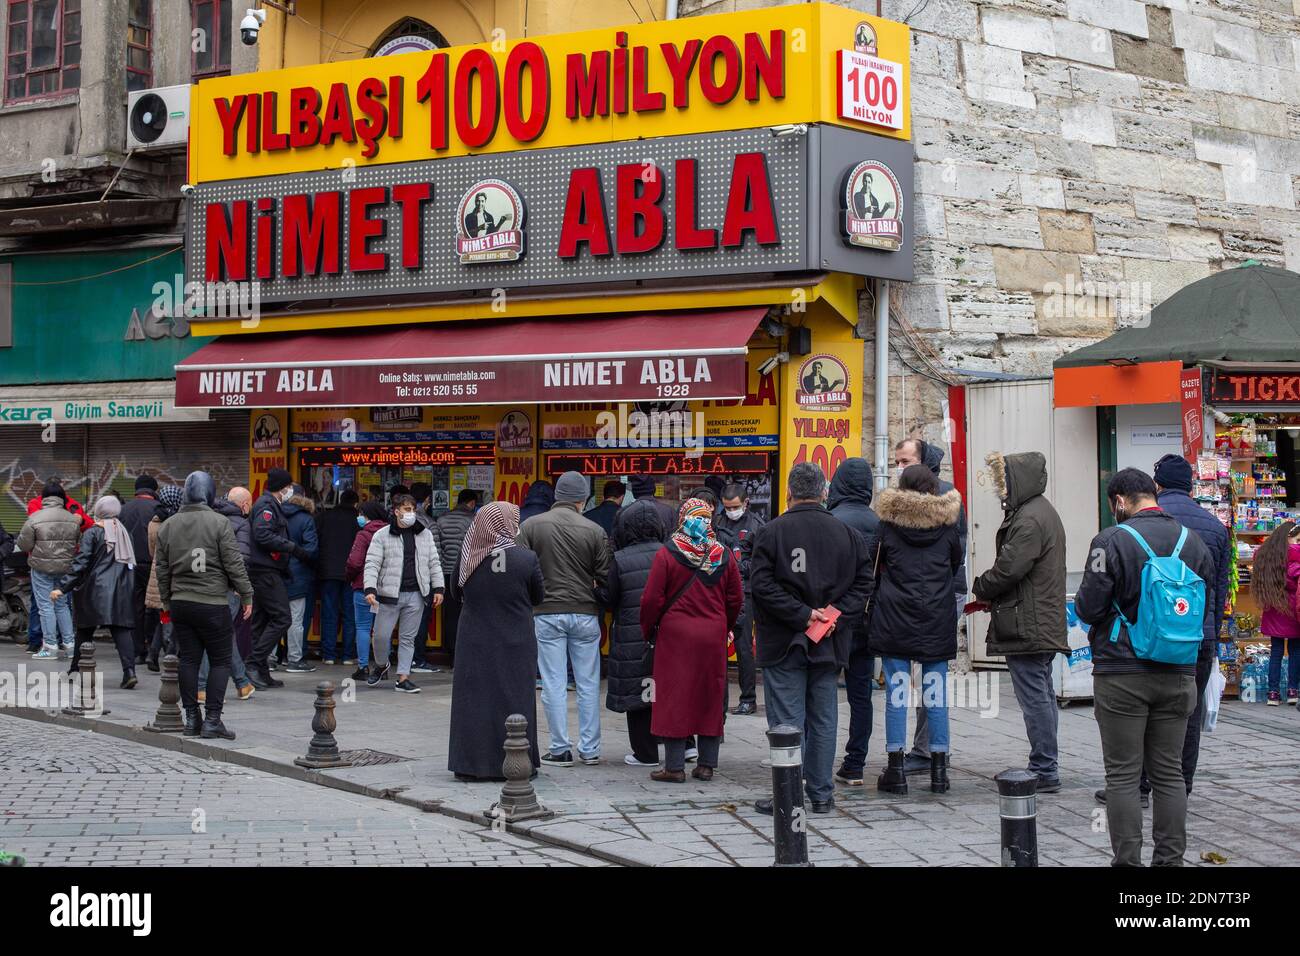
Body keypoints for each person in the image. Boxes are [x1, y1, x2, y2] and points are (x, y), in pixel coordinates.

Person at [1074, 467, 1215, 867]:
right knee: (1169, 772)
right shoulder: (1195, 542)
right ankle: (1170, 861)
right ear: (1153, 492)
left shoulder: (1110, 540)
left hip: (1122, 673)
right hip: (1179, 671)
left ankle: (1128, 862)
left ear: (1118, 502)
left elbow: (1088, 607)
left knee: (1122, 775)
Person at [749, 462, 873, 814]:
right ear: (823, 493)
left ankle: (789, 795)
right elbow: (865, 582)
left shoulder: (770, 533)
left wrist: (803, 615)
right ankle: (821, 794)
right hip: (829, 641)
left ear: (789, 492)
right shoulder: (847, 534)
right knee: (823, 719)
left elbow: (761, 586)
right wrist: (833, 614)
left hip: (783, 642)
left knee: (787, 721)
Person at [970, 452, 1069, 794]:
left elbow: (1010, 568)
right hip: (1036, 619)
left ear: (1018, 482)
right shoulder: (1039, 512)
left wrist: (982, 586)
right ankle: (1045, 763)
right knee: (1040, 693)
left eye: (1004, 484)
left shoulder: (1029, 519)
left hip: (1029, 622)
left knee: (1035, 697)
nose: (1001, 492)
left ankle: (1044, 767)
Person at [870, 465, 964, 795]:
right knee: (935, 696)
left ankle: (896, 771)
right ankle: (939, 771)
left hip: (895, 618)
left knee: (897, 696)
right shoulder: (949, 527)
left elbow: (875, 567)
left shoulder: (888, 527)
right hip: (936, 618)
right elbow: (955, 565)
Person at [1142, 453, 1231, 793]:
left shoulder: (1147, 522)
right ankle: (1183, 783)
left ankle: (1142, 783)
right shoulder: (1215, 527)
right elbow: (1219, 588)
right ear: (1191, 486)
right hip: (1199, 635)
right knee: (1188, 711)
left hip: (1155, 633)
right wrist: (1210, 626)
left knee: (1148, 707)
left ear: (1157, 485)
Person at [640, 499, 743, 782]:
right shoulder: (722, 554)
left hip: (675, 637)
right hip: (712, 636)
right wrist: (724, 625)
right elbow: (736, 598)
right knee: (710, 695)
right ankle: (706, 765)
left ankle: (674, 767)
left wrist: (649, 628)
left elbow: (651, 599)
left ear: (682, 519)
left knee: (675, 695)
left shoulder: (668, 553)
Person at [517, 470, 610, 768]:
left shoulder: (530, 526)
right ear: (583, 499)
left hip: (546, 612)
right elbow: (605, 576)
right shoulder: (594, 530)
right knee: (587, 683)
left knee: (553, 682)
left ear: (557, 496)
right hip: (584, 612)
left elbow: (522, 570)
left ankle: (559, 748)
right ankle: (590, 749)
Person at [447, 502, 546, 780]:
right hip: (515, 641)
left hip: (473, 640)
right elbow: (539, 596)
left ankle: (471, 764)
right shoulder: (525, 559)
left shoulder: (468, 557)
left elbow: (456, 591)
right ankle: (518, 761)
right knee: (515, 698)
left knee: (474, 700)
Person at [155, 471, 255, 740]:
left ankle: (191, 719)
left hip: (181, 603)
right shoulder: (220, 522)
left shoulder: (169, 525)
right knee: (221, 659)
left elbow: (162, 570)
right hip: (213, 601)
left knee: (188, 659)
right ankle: (212, 720)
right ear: (210, 494)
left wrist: (166, 602)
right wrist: (246, 595)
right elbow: (234, 564)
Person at [894, 437, 969, 774]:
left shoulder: (947, 499)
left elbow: (956, 553)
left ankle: (927, 750)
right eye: (897, 461)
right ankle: (932, 752)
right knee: (924, 675)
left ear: (924, 464)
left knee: (928, 673)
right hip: (923, 593)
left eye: (906, 461)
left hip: (940, 593)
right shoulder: (899, 501)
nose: (900, 468)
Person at [597, 499, 666, 767]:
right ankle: (681, 748)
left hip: (631, 635)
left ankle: (645, 753)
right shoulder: (669, 553)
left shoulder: (620, 559)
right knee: (666, 691)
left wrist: (596, 588)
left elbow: (609, 597)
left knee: (638, 695)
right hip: (665, 635)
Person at [825, 458, 880, 786]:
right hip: (868, 618)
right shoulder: (879, 522)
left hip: (833, 619)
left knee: (823, 690)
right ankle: (855, 763)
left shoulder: (831, 520)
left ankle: (817, 759)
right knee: (861, 694)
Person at [53, 496, 138, 689]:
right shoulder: (125, 533)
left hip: (95, 589)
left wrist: (62, 586)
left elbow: (81, 563)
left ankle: (75, 671)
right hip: (121, 590)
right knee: (121, 631)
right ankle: (129, 672)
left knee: (84, 631)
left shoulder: (93, 533)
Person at [362, 494, 444, 693]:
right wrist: (370, 588)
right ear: (396, 511)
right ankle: (382, 666)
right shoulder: (382, 534)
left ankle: (403, 678)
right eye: (407, 509)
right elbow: (372, 563)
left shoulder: (424, 534)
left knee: (408, 638)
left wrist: (439, 587)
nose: (411, 514)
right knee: (380, 636)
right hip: (389, 594)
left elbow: (434, 561)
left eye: (413, 510)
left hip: (416, 594)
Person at [245, 468, 307, 689]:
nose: (290, 490)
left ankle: (260, 670)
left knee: (261, 622)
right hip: (264, 572)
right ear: (283, 488)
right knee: (283, 618)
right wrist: (292, 548)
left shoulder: (271, 505)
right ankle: (253, 664)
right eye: (289, 487)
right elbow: (262, 534)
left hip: (265, 571)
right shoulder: (266, 506)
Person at [715, 482, 765, 717]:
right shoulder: (717, 522)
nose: (730, 511)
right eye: (726, 507)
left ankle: (748, 699)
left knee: (744, 648)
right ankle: (717, 698)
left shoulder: (757, 526)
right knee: (717, 647)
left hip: (746, 592)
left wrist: (737, 566)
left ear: (745, 503)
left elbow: (762, 562)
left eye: (734, 506)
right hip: (719, 590)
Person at [15, 481, 81, 660]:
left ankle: (50, 647)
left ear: (44, 498)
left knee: (45, 607)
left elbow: (24, 544)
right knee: (62, 606)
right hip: (66, 568)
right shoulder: (72, 519)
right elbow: (76, 543)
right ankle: (70, 646)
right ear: (62, 498)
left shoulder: (35, 518)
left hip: (41, 568)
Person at [203, 487, 257, 702]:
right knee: (219, 636)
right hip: (227, 586)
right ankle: (204, 687)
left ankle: (242, 682)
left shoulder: (211, 517)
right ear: (244, 505)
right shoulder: (241, 523)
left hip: (205, 583)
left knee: (221, 635)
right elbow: (241, 558)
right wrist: (242, 590)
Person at [1247, 521, 1300, 705]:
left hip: (1273, 608)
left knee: (1276, 651)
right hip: (1292, 609)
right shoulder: (1296, 554)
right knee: (1295, 651)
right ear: (1289, 537)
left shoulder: (1265, 555)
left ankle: (1272, 693)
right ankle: (1293, 690)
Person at [435, 488, 479, 669]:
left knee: (450, 615)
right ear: (472, 503)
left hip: (446, 573)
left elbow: (437, 549)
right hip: (467, 574)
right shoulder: (473, 521)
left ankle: (451, 654)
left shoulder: (441, 520)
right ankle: (464, 655)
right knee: (469, 614)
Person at [119, 475, 160, 666]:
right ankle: (152, 645)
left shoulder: (124, 509)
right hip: (153, 564)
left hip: (130, 564)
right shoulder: (158, 509)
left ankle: (137, 650)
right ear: (153, 490)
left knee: (135, 606)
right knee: (153, 606)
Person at [316, 488, 360, 665]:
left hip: (328, 572)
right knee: (350, 614)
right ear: (356, 504)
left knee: (329, 613)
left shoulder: (325, 517)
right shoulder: (358, 521)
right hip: (351, 574)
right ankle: (348, 655)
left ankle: (328, 655)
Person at [346, 500, 388, 682]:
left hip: (363, 587)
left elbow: (354, 562)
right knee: (382, 629)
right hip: (387, 589)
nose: (359, 517)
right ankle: (382, 666)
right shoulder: (390, 532)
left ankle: (363, 667)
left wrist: (349, 576)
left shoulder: (363, 535)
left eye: (361, 514)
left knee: (363, 627)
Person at [143, 485, 185, 669]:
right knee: (170, 616)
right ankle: (169, 654)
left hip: (157, 570)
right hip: (174, 571)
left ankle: (153, 654)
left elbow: (152, 551)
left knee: (165, 615)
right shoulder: (178, 522)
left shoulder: (154, 522)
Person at [283, 485, 319, 673]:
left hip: (276, 573)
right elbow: (311, 550)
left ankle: (271, 658)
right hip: (298, 575)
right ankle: (294, 659)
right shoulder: (306, 519)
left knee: (274, 618)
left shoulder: (276, 514)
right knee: (296, 619)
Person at [612, 475, 677, 541]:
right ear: (653, 490)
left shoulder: (623, 513)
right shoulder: (669, 512)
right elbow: (675, 541)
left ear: (634, 493)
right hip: (663, 550)